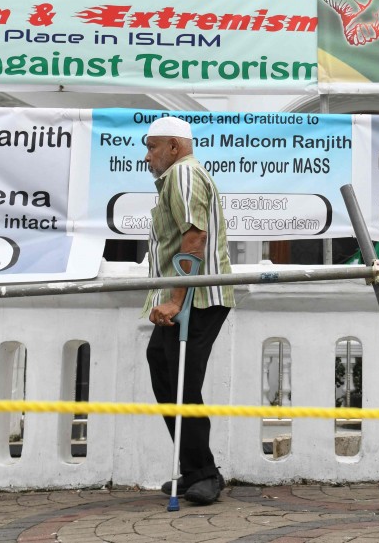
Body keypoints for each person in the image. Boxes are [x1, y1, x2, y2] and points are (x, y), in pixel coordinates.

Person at [142, 116, 235, 506]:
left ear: (174, 147)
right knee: (164, 369)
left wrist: (176, 300)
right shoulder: (178, 177)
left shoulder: (183, 174)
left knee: (181, 382)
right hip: (188, 296)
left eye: (152, 147)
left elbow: (193, 237)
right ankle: (195, 469)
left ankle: (205, 475)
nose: (147, 157)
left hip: (198, 298)